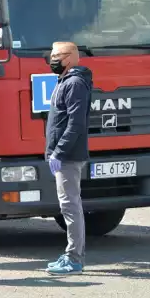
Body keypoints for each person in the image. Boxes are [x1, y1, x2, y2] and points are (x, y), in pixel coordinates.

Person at [44, 41, 93, 275]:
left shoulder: (74, 83)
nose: (53, 59)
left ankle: (74, 259)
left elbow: (76, 124)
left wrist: (59, 152)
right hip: (63, 155)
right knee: (69, 205)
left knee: (70, 206)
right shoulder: (64, 81)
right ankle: (73, 256)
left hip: (68, 156)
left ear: (71, 57)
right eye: (52, 55)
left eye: (58, 55)